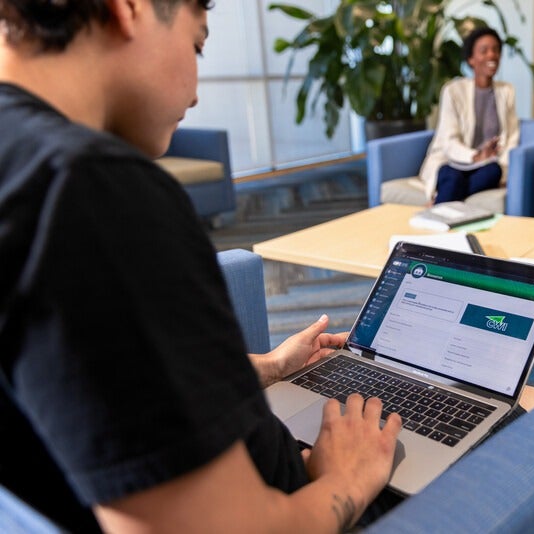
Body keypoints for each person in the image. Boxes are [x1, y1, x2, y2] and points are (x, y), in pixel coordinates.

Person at [0, 1, 401, 532]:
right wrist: (348, 480)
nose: (196, 89)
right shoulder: (89, 190)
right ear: (130, 9)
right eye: (197, 44)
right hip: (306, 506)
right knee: (526, 412)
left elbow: (84, 387)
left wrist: (267, 366)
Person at [419, 26, 520, 204]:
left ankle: (440, 206)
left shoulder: (506, 91)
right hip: (453, 161)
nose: (492, 55)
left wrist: (492, 159)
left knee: (494, 172)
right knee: (452, 177)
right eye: (484, 50)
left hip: (486, 166)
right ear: (471, 59)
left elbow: (512, 137)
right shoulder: (453, 91)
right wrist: (475, 156)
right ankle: (444, 216)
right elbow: (449, 141)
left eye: (496, 50)